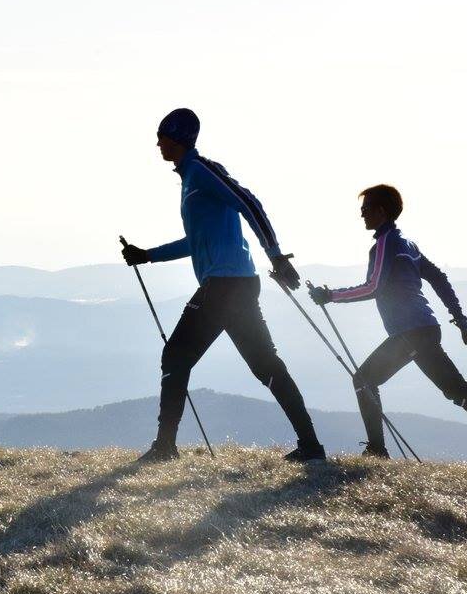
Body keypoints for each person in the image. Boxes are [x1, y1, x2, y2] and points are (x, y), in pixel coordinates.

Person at [121, 108, 326, 465]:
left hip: (225, 287)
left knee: (176, 356)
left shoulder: (202, 171)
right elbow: (195, 240)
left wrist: (276, 255)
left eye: (162, 136)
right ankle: (311, 446)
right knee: (265, 365)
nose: (157, 143)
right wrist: (147, 255)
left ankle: (165, 447)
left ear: (179, 138)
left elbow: (250, 202)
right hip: (237, 285)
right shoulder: (190, 178)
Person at [309, 184, 467, 462]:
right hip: (424, 329)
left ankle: (377, 452)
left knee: (364, 379)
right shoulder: (408, 245)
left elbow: (373, 287)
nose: (361, 216)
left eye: (365, 210)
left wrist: (330, 296)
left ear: (381, 211)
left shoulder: (385, 245)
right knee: (458, 392)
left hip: (409, 332)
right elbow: (439, 278)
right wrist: (460, 320)